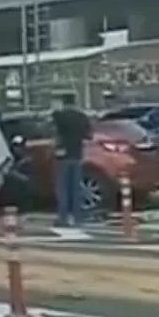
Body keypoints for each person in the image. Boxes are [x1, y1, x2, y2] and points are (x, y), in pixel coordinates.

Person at [51, 92, 92, 227]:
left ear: (63, 102)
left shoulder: (59, 116)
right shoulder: (82, 117)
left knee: (63, 188)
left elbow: (50, 129)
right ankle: (77, 216)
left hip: (63, 155)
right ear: (75, 102)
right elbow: (89, 136)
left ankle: (63, 217)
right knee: (75, 187)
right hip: (77, 155)